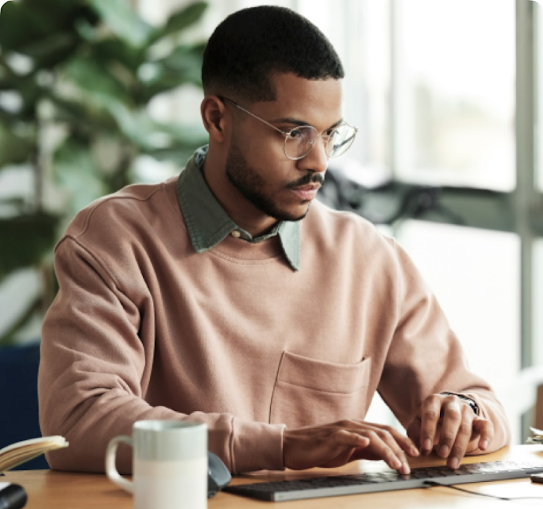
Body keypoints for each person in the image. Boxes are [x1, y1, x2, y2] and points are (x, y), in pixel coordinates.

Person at [38, 5, 510, 475]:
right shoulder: (114, 242)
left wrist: (462, 413)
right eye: (294, 134)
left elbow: (483, 406)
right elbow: (78, 422)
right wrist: (280, 446)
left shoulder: (369, 259)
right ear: (217, 119)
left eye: (330, 135)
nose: (319, 162)